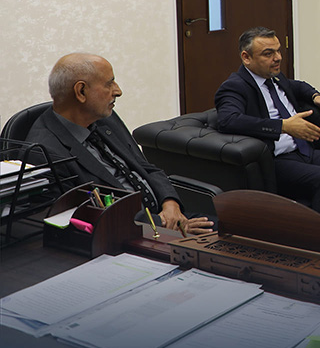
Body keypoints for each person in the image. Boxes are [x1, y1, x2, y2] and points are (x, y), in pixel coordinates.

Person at [215, 27, 320, 237]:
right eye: (268, 53)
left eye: (278, 51)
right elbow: (228, 120)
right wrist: (283, 126)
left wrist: (315, 96)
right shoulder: (234, 87)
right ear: (246, 57)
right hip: (274, 161)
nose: (277, 58)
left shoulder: (274, 77)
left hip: (303, 151)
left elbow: (298, 86)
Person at [26, 53, 213, 235]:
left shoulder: (105, 118)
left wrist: (170, 203)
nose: (118, 91)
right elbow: (81, 219)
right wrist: (162, 225)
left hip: (168, 218)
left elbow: (145, 167)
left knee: (226, 229)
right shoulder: (44, 151)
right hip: (127, 234)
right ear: (81, 91)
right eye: (109, 83)